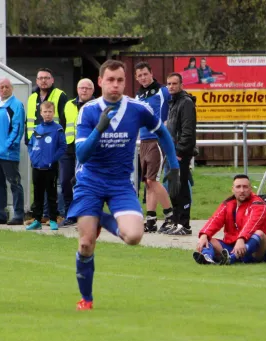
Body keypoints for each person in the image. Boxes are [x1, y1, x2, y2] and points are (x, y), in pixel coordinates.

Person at [67, 60, 180, 310]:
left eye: (119, 80)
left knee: (134, 237)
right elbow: (82, 155)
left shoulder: (137, 108)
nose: (115, 85)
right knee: (86, 244)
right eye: (110, 80)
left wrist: (174, 164)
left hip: (120, 183)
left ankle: (98, 217)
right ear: (100, 82)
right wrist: (99, 129)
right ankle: (86, 300)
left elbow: (162, 132)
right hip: (90, 181)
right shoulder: (88, 111)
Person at [195, 174, 266, 265]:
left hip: (257, 251)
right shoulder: (228, 204)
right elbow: (215, 220)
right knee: (208, 239)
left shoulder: (258, 204)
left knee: (259, 233)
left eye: (245, 187)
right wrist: (204, 235)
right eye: (238, 187)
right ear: (233, 189)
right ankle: (207, 258)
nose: (242, 190)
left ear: (250, 189)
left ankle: (231, 258)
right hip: (235, 246)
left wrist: (241, 239)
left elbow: (252, 224)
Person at [134, 61, 174, 233]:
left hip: (158, 140)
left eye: (145, 74)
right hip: (143, 141)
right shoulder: (138, 96)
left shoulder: (162, 91)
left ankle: (171, 216)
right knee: (148, 183)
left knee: (153, 180)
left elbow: (175, 108)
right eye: (139, 75)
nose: (143, 77)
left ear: (151, 73)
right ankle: (151, 220)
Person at [26, 68, 69, 223]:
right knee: (38, 187)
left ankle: (57, 215)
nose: (43, 80)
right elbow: (29, 120)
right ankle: (41, 216)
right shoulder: (32, 97)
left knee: (56, 185)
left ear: (52, 80)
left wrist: (61, 141)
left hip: (54, 146)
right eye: (40, 78)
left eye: (46, 78)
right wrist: (29, 146)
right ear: (36, 81)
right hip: (37, 148)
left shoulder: (59, 95)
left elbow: (64, 119)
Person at [0, 77, 26, 225]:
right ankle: (0, 213)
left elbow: (18, 127)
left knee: (14, 184)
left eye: (6, 87)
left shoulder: (16, 105)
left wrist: (8, 145)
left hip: (8, 153)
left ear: (12, 88)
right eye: (1, 87)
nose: (4, 89)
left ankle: (18, 215)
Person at [163, 72, 197, 235]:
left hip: (180, 153)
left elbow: (187, 131)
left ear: (181, 85)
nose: (171, 86)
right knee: (173, 188)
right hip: (171, 152)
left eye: (174, 83)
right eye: (168, 84)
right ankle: (176, 222)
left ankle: (184, 225)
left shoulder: (186, 102)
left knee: (182, 188)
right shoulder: (173, 103)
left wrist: (179, 152)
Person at [60, 78, 96, 228]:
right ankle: (70, 214)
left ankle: (88, 215)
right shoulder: (69, 104)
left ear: (93, 90)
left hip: (88, 149)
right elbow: (62, 124)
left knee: (85, 183)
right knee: (65, 181)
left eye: (88, 88)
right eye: (82, 88)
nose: (84, 90)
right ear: (77, 89)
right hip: (69, 147)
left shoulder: (97, 105)